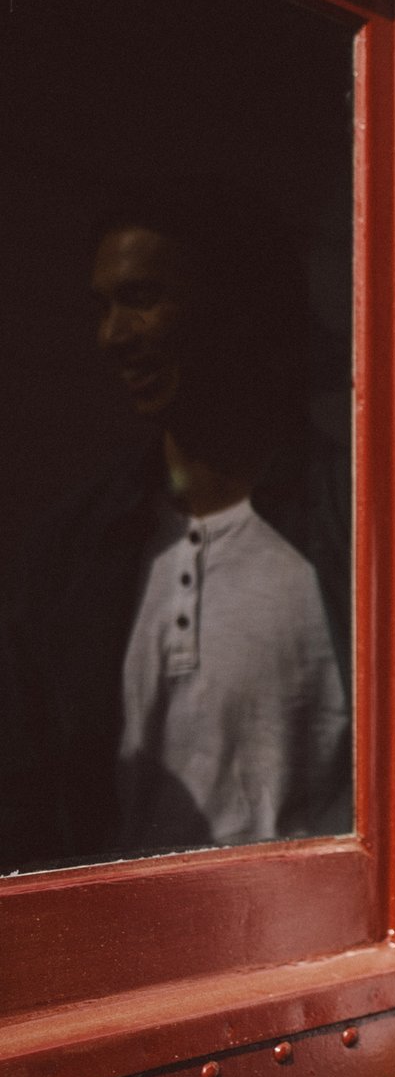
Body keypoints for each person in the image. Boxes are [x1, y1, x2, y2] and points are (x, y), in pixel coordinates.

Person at [0, 180, 349, 870]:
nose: (113, 337)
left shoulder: (349, 522)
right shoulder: (75, 549)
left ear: (236, 310)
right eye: (103, 308)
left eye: (142, 300)